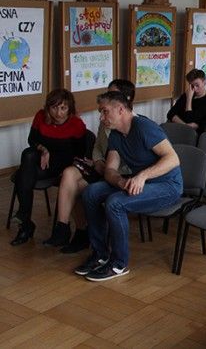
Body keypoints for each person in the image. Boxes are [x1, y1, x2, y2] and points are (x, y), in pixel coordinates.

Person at [76, 91, 182, 281]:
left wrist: (142, 176)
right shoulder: (115, 134)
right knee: (91, 192)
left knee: (115, 203)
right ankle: (100, 254)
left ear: (120, 109)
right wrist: (120, 181)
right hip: (140, 182)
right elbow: (110, 170)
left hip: (167, 185)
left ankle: (119, 264)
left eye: (105, 111)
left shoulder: (143, 127)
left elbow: (173, 159)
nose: (101, 117)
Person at [43, 80, 135, 253]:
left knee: (74, 187)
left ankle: (81, 232)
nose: (107, 98)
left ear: (125, 100)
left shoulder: (133, 124)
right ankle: (62, 227)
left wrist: (109, 168)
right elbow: (98, 147)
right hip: (99, 167)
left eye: (112, 94)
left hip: (119, 174)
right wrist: (98, 162)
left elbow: (133, 159)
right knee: (68, 173)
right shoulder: (105, 119)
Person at [10, 89, 87, 246]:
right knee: (28, 154)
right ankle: (25, 220)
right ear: (48, 107)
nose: (58, 113)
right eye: (54, 108)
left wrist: (69, 171)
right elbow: (32, 139)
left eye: (63, 108)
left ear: (70, 108)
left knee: (21, 176)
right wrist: (44, 150)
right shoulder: (41, 116)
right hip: (43, 162)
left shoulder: (76, 124)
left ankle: (25, 223)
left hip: (64, 166)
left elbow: (81, 153)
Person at [166, 69, 206, 134]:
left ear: (204, 82)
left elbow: (190, 120)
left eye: (197, 85)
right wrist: (185, 125)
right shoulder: (186, 95)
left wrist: (189, 99)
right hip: (177, 130)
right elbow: (170, 114)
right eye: (192, 86)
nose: (194, 89)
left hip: (191, 136)